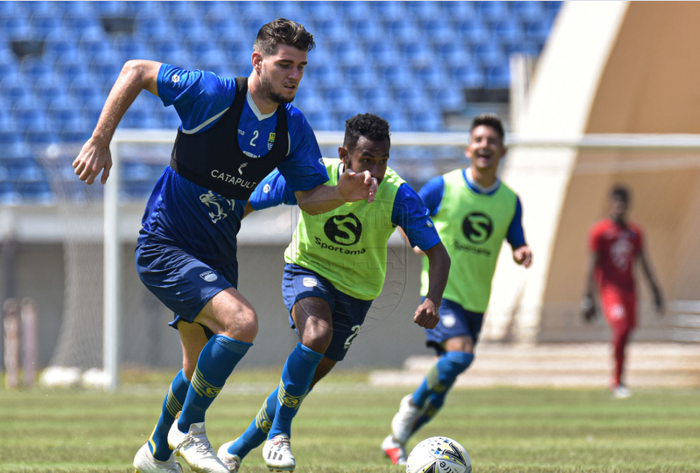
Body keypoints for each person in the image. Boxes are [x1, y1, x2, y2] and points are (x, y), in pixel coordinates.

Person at [72, 19, 378, 473]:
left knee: (196, 369)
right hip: (165, 243)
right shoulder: (213, 94)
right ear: (258, 62)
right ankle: (189, 429)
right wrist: (100, 139)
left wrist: (344, 194)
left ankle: (156, 453)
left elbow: (311, 199)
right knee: (243, 322)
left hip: (215, 253)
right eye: (285, 64)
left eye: (302, 67)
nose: (295, 75)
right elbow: (135, 70)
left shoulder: (293, 129)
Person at [215, 113, 451, 472]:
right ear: (344, 154)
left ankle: (234, 451)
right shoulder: (312, 174)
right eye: (366, 160)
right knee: (316, 334)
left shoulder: (397, 194)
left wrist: (432, 299)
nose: (376, 170)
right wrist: (219, 238)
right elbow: (246, 201)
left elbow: (438, 253)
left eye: (383, 161)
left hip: (357, 296)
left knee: (299, 385)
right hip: (307, 271)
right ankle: (279, 435)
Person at [382, 114, 533, 465]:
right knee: (461, 355)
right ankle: (410, 406)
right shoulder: (443, 187)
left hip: (477, 302)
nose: (485, 146)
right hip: (442, 294)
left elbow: (517, 240)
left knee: (444, 383)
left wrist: (521, 251)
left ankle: (396, 440)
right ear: (468, 148)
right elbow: (406, 213)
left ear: (502, 151)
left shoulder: (510, 201)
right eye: (478, 140)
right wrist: (416, 242)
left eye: (492, 141)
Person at [582, 185, 664, 399]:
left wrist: (656, 290)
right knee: (621, 327)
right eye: (615, 202)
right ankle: (616, 381)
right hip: (610, 290)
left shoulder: (635, 232)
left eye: (623, 202)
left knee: (627, 331)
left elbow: (644, 262)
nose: (619, 206)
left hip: (630, 289)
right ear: (610, 203)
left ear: (628, 205)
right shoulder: (600, 231)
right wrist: (588, 296)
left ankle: (619, 379)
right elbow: (592, 264)